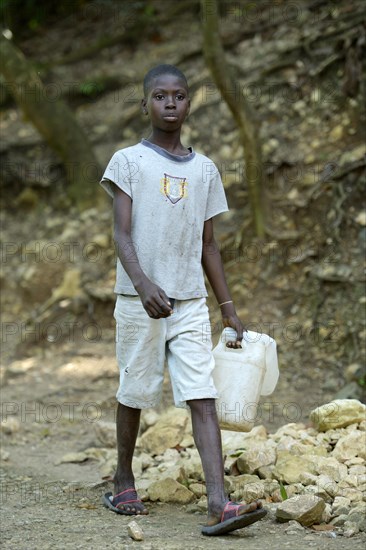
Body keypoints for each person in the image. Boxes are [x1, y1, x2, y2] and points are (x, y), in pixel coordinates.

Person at [100, 64, 266, 536]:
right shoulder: (128, 161)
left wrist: (228, 308)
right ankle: (124, 478)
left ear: (189, 103)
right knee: (135, 389)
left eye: (178, 96)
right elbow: (121, 232)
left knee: (203, 395)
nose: (170, 103)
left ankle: (219, 503)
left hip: (190, 301)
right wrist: (142, 283)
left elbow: (209, 244)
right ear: (145, 104)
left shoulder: (205, 169)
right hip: (141, 301)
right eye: (159, 96)